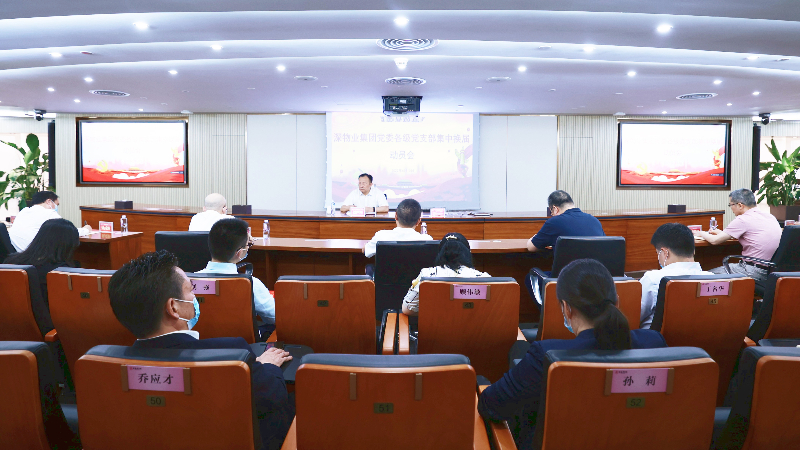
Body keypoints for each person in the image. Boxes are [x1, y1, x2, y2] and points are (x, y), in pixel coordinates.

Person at [108, 250, 293, 450]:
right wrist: (266, 366)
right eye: (191, 290)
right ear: (173, 308)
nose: (195, 296)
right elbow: (274, 397)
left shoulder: (106, 368)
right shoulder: (233, 354)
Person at [478, 259, 667, 449]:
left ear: (567, 308)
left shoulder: (546, 355)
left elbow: (490, 406)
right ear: (616, 302)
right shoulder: (654, 343)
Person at [197, 218, 276, 337]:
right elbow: (275, 317)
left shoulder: (189, 282)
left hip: (200, 344)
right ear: (239, 253)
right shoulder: (251, 284)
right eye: (248, 245)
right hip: (243, 346)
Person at [693, 188, 781, 281]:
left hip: (752, 271)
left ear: (740, 205)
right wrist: (721, 233)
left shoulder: (743, 219)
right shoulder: (770, 217)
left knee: (705, 275)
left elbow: (714, 241)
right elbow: (752, 235)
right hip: (772, 271)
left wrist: (700, 233)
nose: (731, 208)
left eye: (731, 205)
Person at [639, 223, 712, 329]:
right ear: (693, 251)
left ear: (665, 253)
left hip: (658, 339)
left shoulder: (653, 279)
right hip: (704, 338)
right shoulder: (713, 278)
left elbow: (633, 316)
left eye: (658, 253)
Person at [402, 232, 490, 316]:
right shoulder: (485, 279)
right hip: (473, 326)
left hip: (434, 326)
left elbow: (407, 309)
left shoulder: (427, 275)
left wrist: (433, 312)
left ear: (440, 254)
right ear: (468, 253)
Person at [5, 218, 81, 308]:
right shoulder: (62, 272)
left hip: (10, 314)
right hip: (49, 315)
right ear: (70, 245)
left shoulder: (10, 262)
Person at [8, 191, 92, 252]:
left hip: (19, 256)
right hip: (37, 257)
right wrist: (86, 229)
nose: (56, 207)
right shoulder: (48, 213)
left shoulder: (23, 211)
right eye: (56, 204)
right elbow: (68, 232)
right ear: (49, 201)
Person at [526, 190, 604, 252]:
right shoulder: (594, 220)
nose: (552, 215)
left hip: (569, 268)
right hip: (596, 267)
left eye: (551, 212)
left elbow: (531, 247)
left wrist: (534, 237)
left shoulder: (554, 222)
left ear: (555, 209)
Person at [364, 198, 432, 258]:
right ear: (418, 221)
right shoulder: (427, 240)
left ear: (396, 216)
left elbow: (366, 251)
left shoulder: (381, 236)